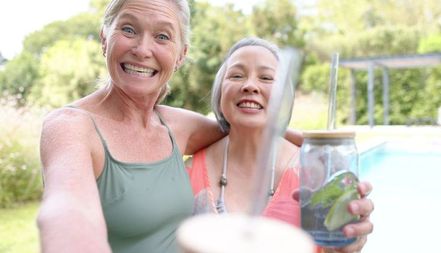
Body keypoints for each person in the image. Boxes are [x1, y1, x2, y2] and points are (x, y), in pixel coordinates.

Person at [36, 0, 226, 252]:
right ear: (105, 38)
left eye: (162, 36)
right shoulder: (70, 126)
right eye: (128, 30)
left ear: (181, 55)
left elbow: (244, 131)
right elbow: (67, 209)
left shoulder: (174, 126)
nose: (142, 49)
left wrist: (296, 142)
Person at [186, 37, 374, 253]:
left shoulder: (318, 175)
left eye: (266, 78)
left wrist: (346, 247)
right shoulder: (187, 173)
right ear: (219, 92)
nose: (250, 86)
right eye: (237, 75)